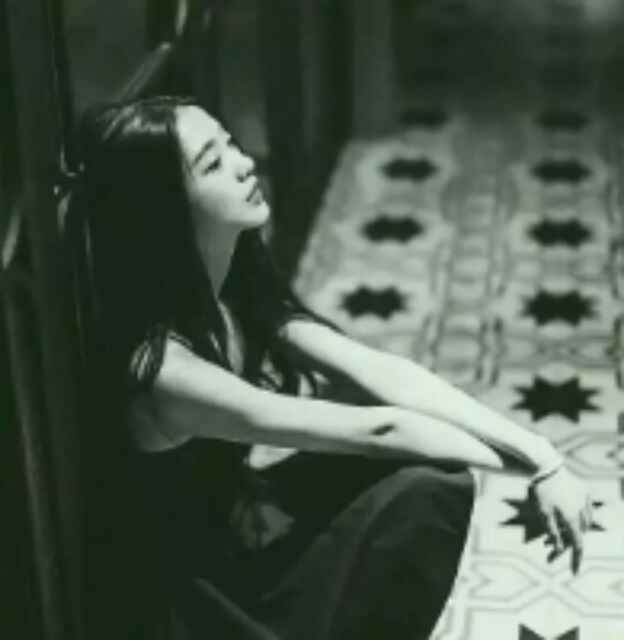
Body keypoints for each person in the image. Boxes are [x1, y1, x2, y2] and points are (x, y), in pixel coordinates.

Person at [77, 95, 593, 640]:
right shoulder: (164, 368)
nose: (244, 163)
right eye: (213, 163)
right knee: (418, 463)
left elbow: (383, 373)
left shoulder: (232, 292)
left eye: (229, 144)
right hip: (204, 600)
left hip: (240, 523)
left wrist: (542, 457)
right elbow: (380, 429)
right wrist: (538, 471)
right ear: (166, 208)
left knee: (430, 472)